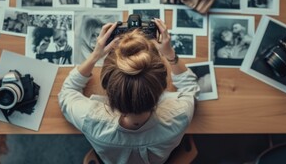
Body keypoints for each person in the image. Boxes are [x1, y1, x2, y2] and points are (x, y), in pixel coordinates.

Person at [58, 19, 200, 164]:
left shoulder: (90, 121)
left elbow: (67, 92)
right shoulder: (179, 116)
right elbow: (189, 87)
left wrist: (95, 55)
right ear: (163, 86)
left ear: (106, 87)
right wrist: (170, 53)